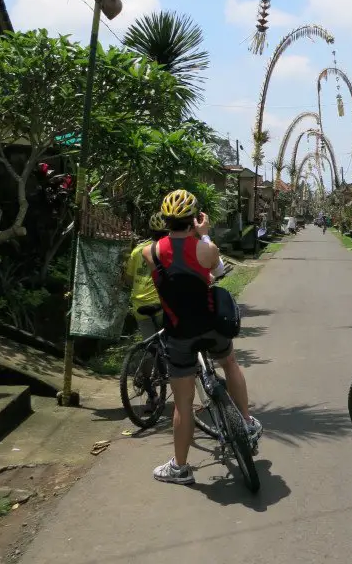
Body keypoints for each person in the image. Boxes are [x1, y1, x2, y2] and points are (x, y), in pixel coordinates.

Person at [143, 189, 262, 485]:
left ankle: (180, 468)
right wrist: (205, 234)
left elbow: (167, 266)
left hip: (179, 333)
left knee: (183, 403)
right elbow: (217, 271)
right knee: (230, 363)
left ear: (165, 219)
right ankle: (246, 423)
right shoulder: (206, 249)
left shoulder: (151, 252)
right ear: (195, 219)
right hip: (211, 327)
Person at [123, 211, 169, 341]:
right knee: (171, 343)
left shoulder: (137, 250)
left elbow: (128, 280)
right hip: (161, 305)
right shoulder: (168, 250)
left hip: (139, 306)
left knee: (150, 345)